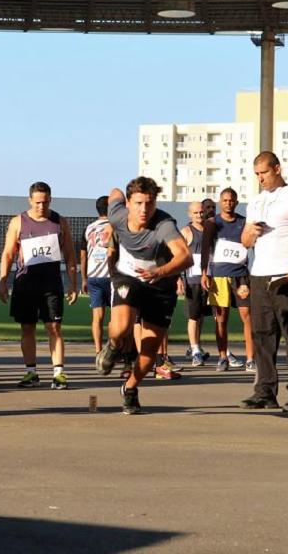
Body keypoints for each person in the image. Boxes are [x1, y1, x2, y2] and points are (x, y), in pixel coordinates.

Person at [94, 176, 191, 414]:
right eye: (138, 203)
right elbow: (115, 190)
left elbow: (185, 257)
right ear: (128, 203)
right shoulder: (117, 213)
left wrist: (160, 271)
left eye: (149, 203)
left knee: (149, 352)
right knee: (122, 326)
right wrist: (110, 224)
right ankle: (114, 346)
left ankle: (129, 389)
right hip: (128, 277)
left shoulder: (164, 224)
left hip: (159, 284)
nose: (144, 210)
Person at [238, 152, 288, 414]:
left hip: (286, 274)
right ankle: (265, 391)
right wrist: (249, 233)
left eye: (264, 173)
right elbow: (246, 243)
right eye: (257, 174)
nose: (261, 179)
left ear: (277, 169)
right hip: (260, 274)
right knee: (262, 336)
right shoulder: (255, 202)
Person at [0, 182, 78, 389]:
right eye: (37, 202)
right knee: (27, 328)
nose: (41, 206)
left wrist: (73, 283)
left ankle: (59, 373)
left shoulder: (60, 222)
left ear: (50, 200)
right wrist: (3, 281)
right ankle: (30, 372)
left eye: (45, 202)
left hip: (51, 284)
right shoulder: (18, 222)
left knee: (54, 328)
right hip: (25, 285)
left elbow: (69, 254)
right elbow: (8, 253)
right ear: (30, 200)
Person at [202, 188, 253, 371]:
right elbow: (206, 249)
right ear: (220, 202)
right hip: (219, 276)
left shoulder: (244, 222)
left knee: (247, 317)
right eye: (224, 200)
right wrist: (204, 273)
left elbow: (252, 246)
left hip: (241, 277)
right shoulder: (212, 223)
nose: (228, 203)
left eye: (231, 200)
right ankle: (223, 357)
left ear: (236, 202)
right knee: (221, 319)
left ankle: (250, 359)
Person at [178, 201, 212, 366]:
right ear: (189, 214)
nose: (199, 215)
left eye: (201, 212)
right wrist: (178, 278)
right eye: (196, 212)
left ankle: (196, 347)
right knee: (193, 316)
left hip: (209, 278)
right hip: (192, 280)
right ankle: (195, 351)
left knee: (202, 316)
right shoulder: (185, 232)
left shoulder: (210, 230)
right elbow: (177, 255)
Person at [80, 196, 112, 354]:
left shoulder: (89, 228)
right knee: (116, 317)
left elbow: (83, 255)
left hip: (93, 276)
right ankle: (113, 348)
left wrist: (84, 278)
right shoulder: (115, 226)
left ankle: (98, 351)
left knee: (97, 316)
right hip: (112, 276)